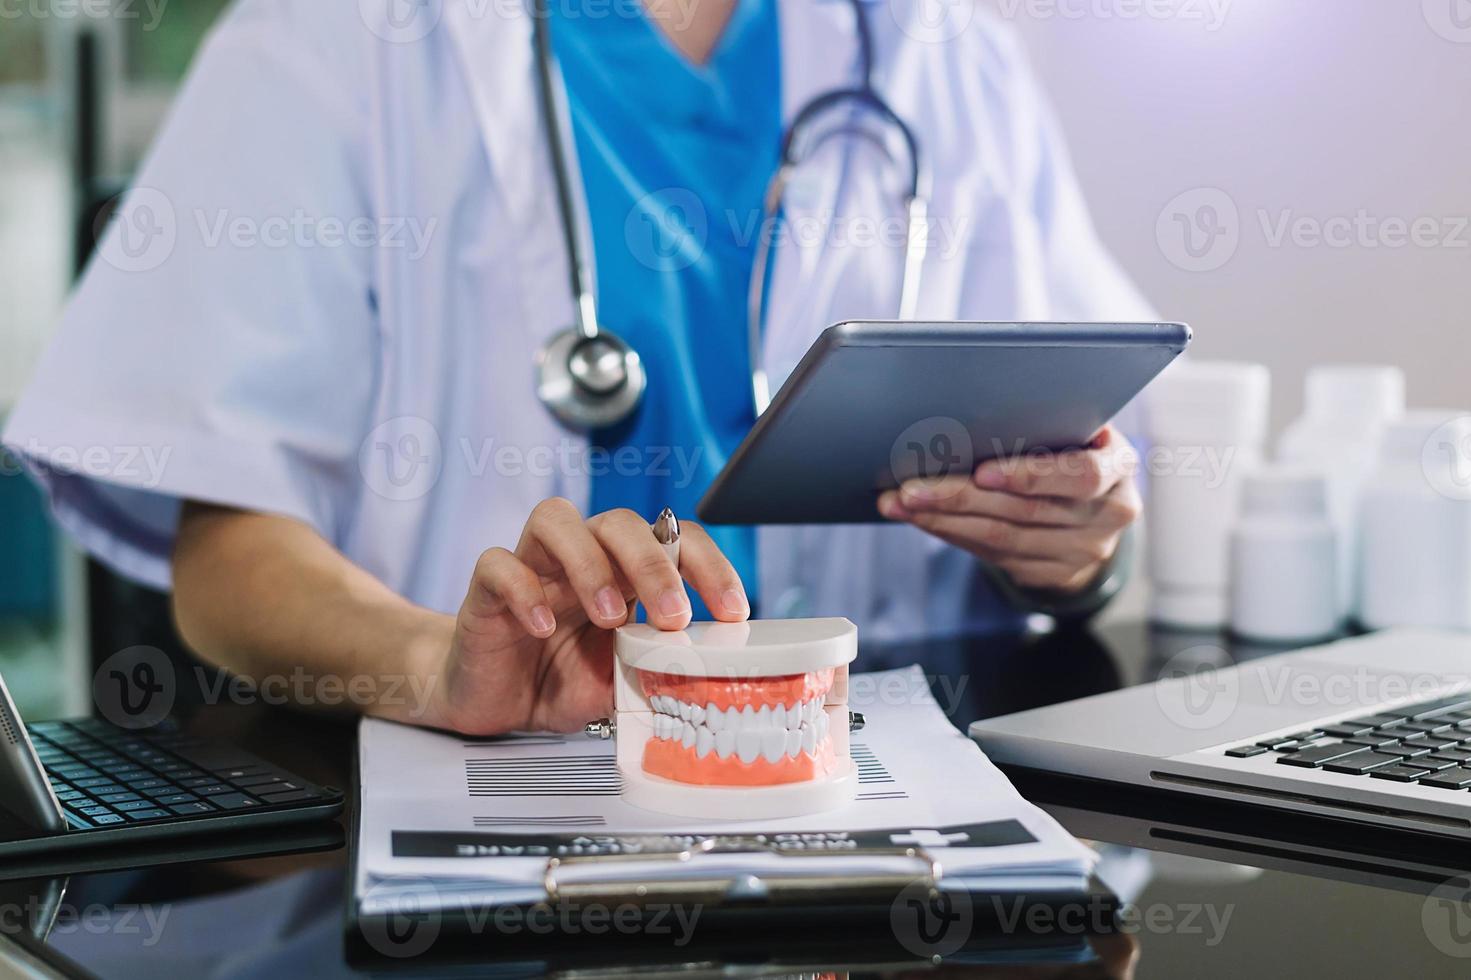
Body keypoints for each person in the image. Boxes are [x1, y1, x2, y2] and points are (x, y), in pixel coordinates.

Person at [2, 0, 1153, 736]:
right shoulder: (336, 39)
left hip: (871, 797)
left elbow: (1086, 458)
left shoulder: (945, 55)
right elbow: (227, 546)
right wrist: (435, 664)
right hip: (484, 805)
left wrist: (1074, 553)